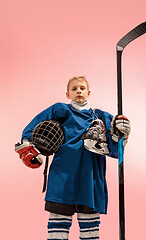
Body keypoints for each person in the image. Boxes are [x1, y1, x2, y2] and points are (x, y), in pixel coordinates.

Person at [15, 76, 131, 240]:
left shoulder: (102, 117)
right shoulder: (60, 110)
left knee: (89, 225)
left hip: (90, 175)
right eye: (74, 88)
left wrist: (121, 136)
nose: (79, 91)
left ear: (89, 92)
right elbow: (36, 124)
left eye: (82, 88)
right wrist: (27, 142)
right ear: (68, 94)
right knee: (58, 222)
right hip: (63, 174)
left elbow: (115, 151)